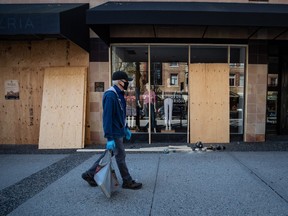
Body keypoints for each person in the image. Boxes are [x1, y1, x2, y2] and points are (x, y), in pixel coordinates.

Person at [81, 71, 142, 190]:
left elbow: (121, 114)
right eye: (126, 81)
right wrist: (109, 138)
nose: (128, 83)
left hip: (119, 130)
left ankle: (89, 174)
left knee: (110, 153)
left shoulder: (119, 94)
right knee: (120, 155)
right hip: (114, 133)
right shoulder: (110, 95)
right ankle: (127, 181)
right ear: (120, 82)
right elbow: (107, 118)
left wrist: (126, 128)